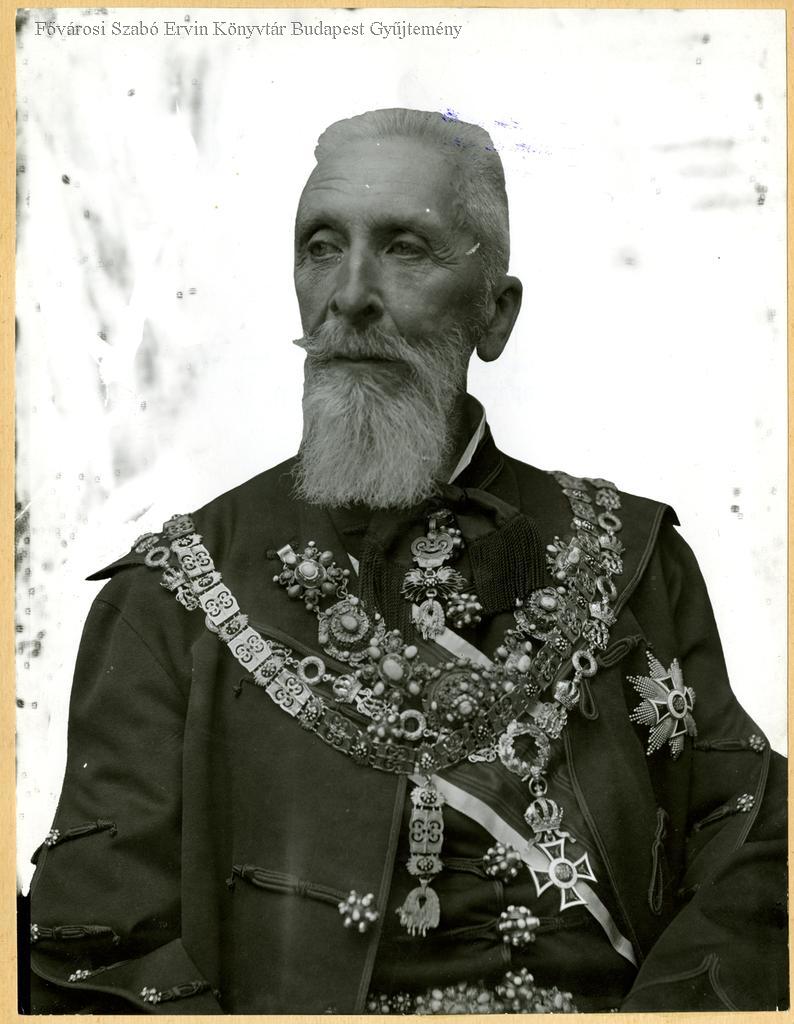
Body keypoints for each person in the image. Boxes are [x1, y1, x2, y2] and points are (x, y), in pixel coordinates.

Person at [26, 108, 786, 1015]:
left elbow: (753, 851)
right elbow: (106, 949)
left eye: (404, 249)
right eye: (320, 247)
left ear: (495, 313)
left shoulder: (632, 558)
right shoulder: (171, 600)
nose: (350, 295)